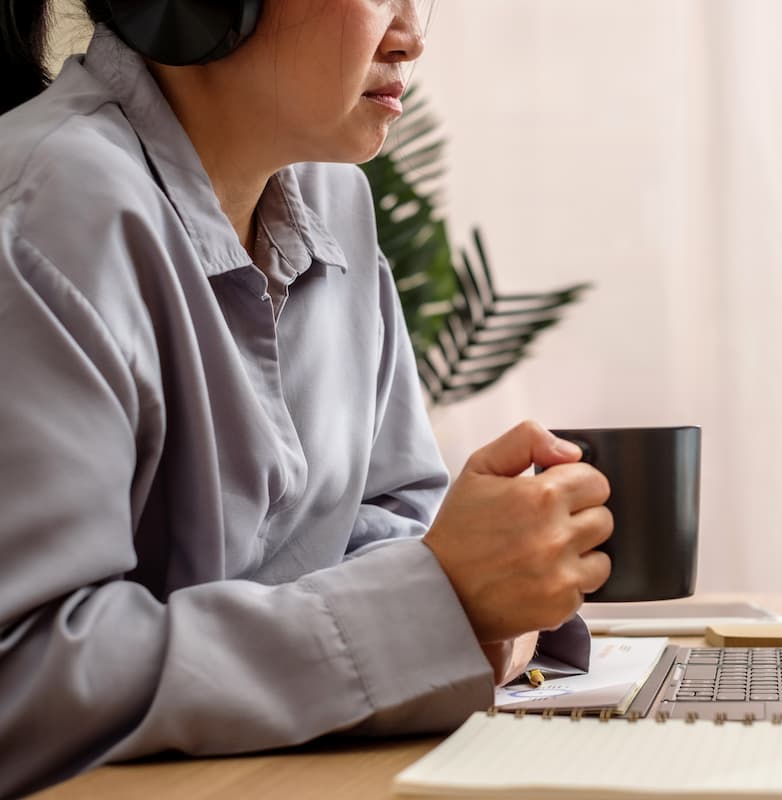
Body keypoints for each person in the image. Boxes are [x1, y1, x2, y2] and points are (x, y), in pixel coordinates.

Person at [0, 2, 613, 796]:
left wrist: (482, 598)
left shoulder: (335, 204)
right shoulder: (49, 215)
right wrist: (438, 610)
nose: (413, 35)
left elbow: (385, 515)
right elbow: (28, 678)